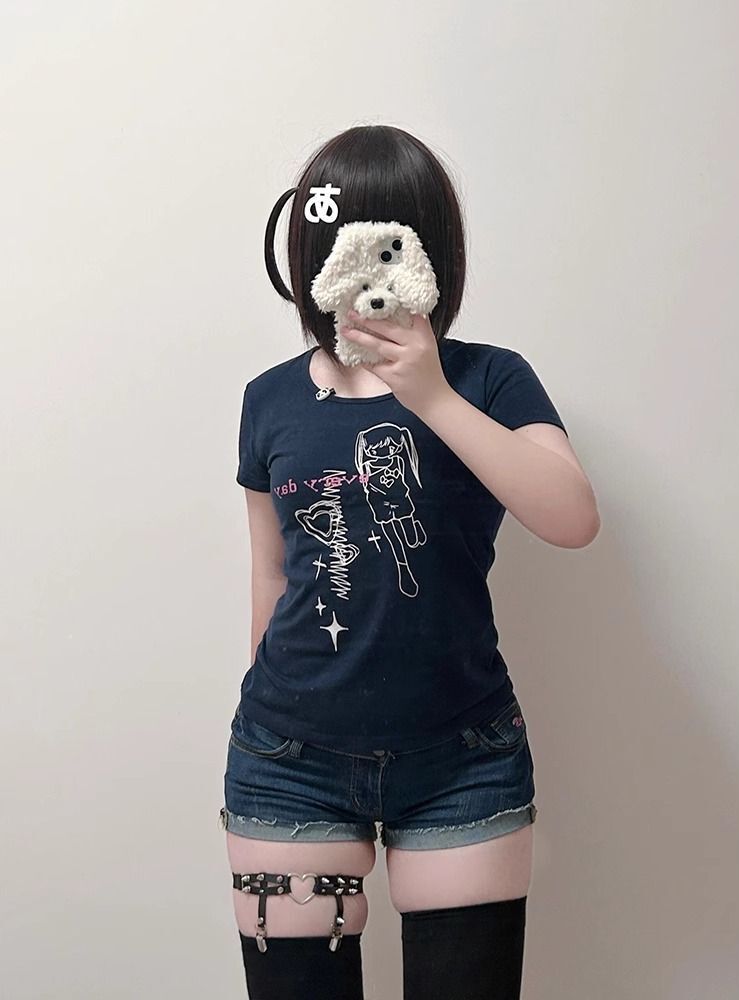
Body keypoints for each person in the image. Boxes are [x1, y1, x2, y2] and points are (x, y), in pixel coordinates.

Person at [219, 124, 600, 1000]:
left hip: (464, 758)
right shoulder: (269, 400)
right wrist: (276, 709)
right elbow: (271, 572)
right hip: (288, 758)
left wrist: (427, 392)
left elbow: (572, 517)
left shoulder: (491, 379)